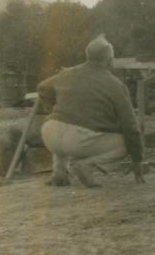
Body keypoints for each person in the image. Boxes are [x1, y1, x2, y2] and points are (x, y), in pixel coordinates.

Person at [37, 34, 146, 188]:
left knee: (66, 122)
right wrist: (137, 159)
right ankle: (88, 166)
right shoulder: (115, 85)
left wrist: (52, 108)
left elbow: (42, 87)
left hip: (50, 135)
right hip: (78, 140)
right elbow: (131, 126)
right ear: (109, 60)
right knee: (125, 144)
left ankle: (59, 172)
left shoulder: (66, 73)